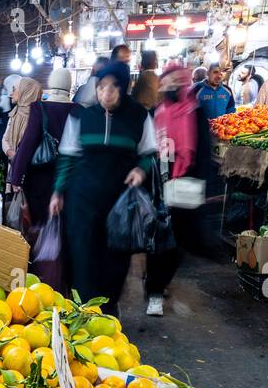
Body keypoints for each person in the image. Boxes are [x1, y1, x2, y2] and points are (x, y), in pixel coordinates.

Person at [49, 61, 158, 314]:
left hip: (119, 202)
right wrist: (57, 191)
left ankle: (108, 311)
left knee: (115, 261)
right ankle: (84, 312)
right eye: (101, 86)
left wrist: (140, 170)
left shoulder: (138, 116)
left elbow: (149, 153)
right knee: (82, 256)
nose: (106, 92)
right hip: (82, 199)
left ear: (124, 87)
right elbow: (67, 155)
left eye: (113, 86)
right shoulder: (81, 116)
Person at [145, 62, 213, 316]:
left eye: (177, 82)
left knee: (179, 242)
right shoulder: (157, 112)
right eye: (167, 82)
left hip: (187, 186)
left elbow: (203, 152)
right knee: (159, 239)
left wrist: (201, 186)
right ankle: (154, 291)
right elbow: (149, 150)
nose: (172, 87)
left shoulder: (196, 112)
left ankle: (160, 282)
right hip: (159, 186)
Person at [9, 67, 74, 231]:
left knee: (39, 225)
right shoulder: (79, 109)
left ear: (51, 83)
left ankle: (39, 255)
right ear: (69, 85)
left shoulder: (40, 108)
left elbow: (27, 143)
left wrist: (16, 178)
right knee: (63, 226)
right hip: (69, 179)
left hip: (40, 177)